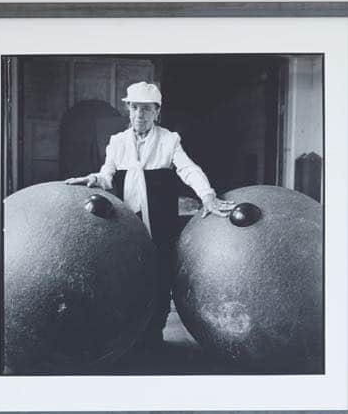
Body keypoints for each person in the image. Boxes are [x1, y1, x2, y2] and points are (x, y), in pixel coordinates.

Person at [66, 80, 231, 350]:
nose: (139, 115)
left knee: (160, 279)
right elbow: (107, 176)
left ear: (157, 112)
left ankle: (154, 337)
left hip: (160, 226)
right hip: (125, 225)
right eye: (134, 108)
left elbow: (188, 169)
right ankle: (128, 338)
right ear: (128, 111)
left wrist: (208, 195)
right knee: (128, 279)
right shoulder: (117, 142)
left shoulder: (169, 140)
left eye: (146, 109)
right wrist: (94, 178)